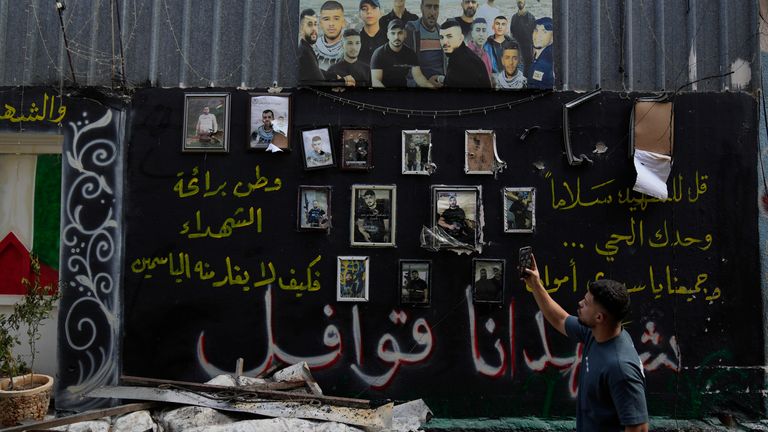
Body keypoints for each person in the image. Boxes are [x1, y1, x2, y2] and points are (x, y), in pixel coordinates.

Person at [521, 256, 649, 432]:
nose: (580, 303)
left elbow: (639, 428)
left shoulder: (620, 368)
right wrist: (535, 284)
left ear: (599, 317)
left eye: (586, 303)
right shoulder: (596, 333)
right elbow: (560, 319)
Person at [371, 19, 435, 88]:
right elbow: (376, 81)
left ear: (405, 34)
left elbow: (418, 77)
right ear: (387, 35)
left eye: (400, 33)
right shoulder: (379, 54)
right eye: (393, 33)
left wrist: (432, 88)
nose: (396, 37)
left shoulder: (410, 53)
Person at [439, 19, 491, 88]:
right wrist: (442, 79)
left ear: (461, 38)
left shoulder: (461, 63)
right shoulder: (462, 56)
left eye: (449, 36)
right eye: (441, 37)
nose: (444, 42)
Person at [404, 0, 445, 88]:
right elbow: (405, 69)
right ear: (421, 8)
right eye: (428, 7)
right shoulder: (411, 31)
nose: (432, 12)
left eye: (436, 7)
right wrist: (426, 83)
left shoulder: (442, 33)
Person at [314, 1, 347, 71]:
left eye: (336, 19)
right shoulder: (312, 50)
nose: (331, 24)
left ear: (343, 23)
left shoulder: (353, 49)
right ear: (320, 24)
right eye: (326, 19)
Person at [298, 9, 328, 83]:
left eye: (315, 24)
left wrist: (335, 76)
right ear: (301, 28)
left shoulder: (305, 48)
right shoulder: (305, 53)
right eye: (310, 24)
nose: (314, 29)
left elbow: (316, 70)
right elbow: (320, 82)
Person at [509, 0, 536, 76]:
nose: (520, 1)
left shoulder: (531, 17)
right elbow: (511, 34)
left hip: (528, 50)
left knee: (529, 71)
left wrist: (534, 48)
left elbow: (535, 35)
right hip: (517, 49)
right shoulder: (514, 17)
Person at [527, 17, 554, 89]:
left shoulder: (544, 63)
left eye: (544, 31)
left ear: (552, 38)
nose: (538, 35)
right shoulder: (538, 54)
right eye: (536, 30)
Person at [359, 0, 387, 66]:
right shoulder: (355, 40)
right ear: (359, 14)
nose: (369, 11)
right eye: (364, 9)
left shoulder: (389, 39)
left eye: (374, 8)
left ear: (381, 12)